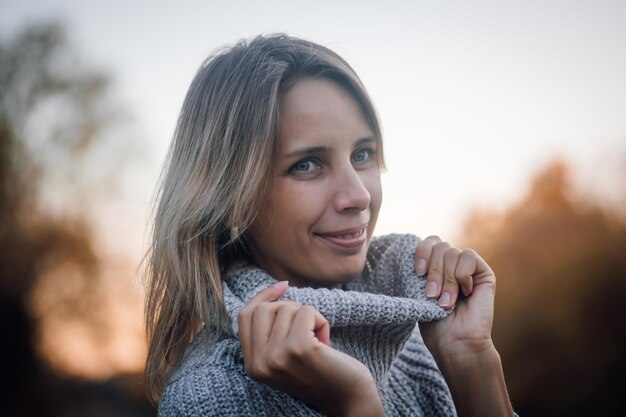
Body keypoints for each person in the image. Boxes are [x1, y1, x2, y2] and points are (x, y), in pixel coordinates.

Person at [144, 34, 516, 417]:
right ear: (231, 198)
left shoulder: (409, 336)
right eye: (307, 165)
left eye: (362, 155)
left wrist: (472, 360)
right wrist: (354, 405)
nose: (358, 196)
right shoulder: (209, 397)